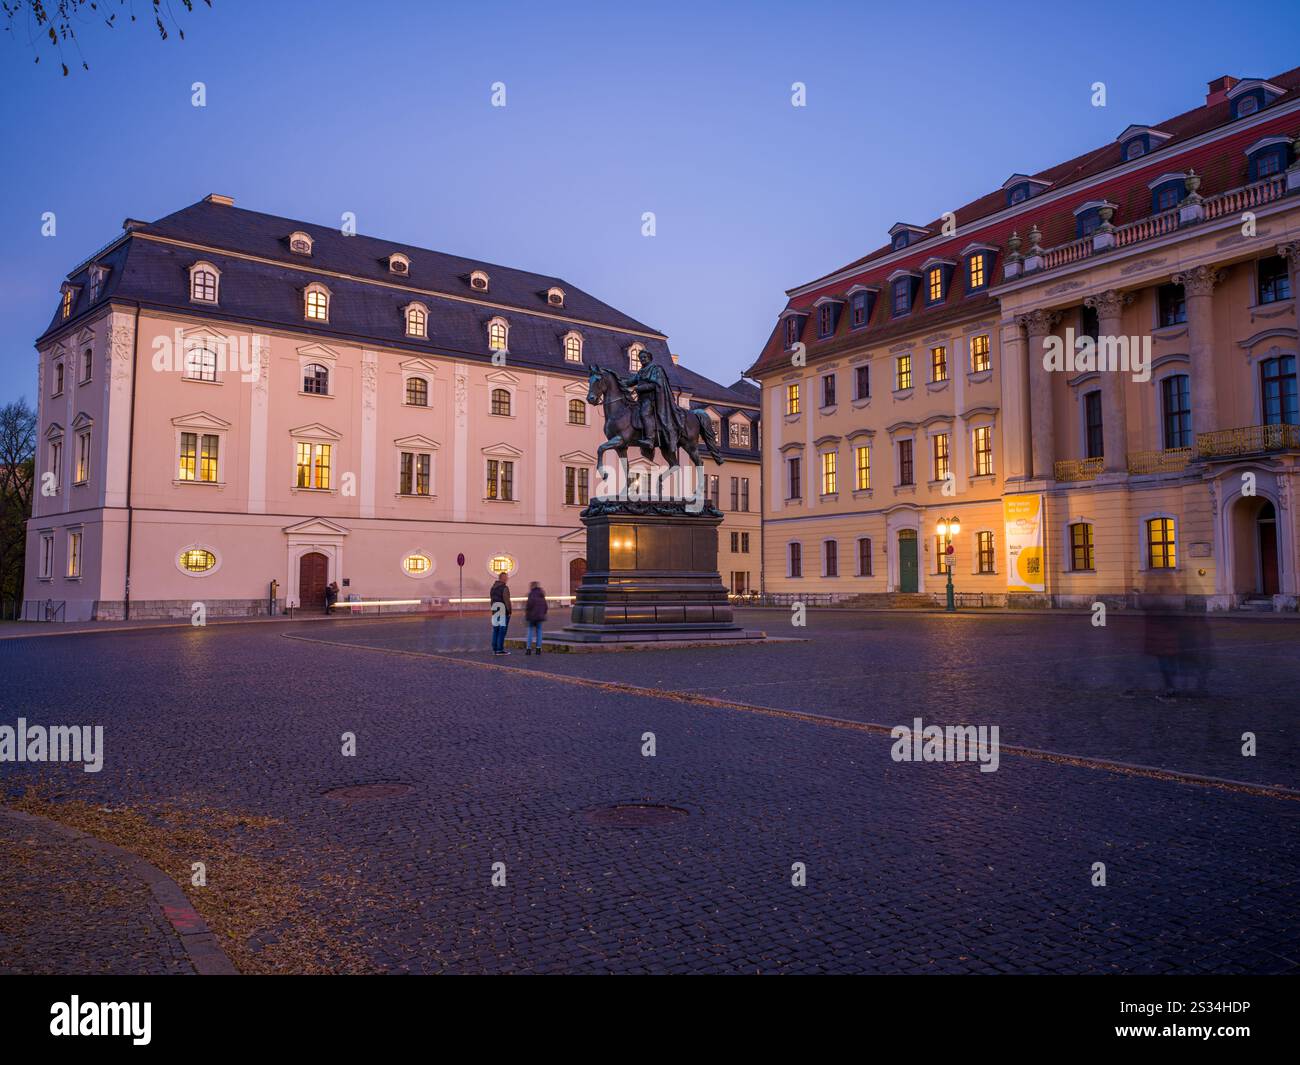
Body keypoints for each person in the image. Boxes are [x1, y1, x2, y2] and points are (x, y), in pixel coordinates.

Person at [489, 572, 512, 655]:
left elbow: (492, 599)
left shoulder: (493, 587)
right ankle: (499, 649)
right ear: (502, 578)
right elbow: (507, 601)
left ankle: (495, 648)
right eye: (506, 577)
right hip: (502, 610)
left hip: (495, 610)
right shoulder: (504, 588)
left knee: (496, 630)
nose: (507, 578)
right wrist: (509, 611)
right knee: (502, 631)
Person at [524, 581, 548, 656]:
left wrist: (527, 615)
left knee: (530, 632)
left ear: (532, 586)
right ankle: (538, 649)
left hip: (531, 616)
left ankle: (528, 649)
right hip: (540, 616)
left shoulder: (531, 594)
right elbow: (545, 606)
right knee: (539, 632)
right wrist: (543, 613)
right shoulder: (542, 595)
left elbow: (529, 606)